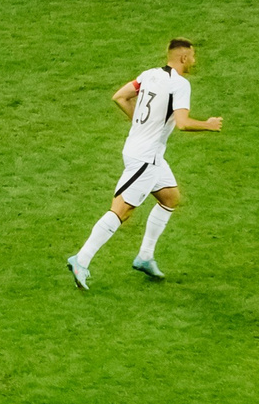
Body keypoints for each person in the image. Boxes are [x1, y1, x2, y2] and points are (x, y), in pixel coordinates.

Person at [66, 39, 224, 290]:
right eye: (193, 56)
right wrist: (209, 124)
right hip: (145, 159)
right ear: (183, 58)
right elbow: (182, 123)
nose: (194, 61)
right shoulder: (180, 85)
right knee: (121, 210)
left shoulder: (150, 75)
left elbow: (120, 97)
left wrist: (141, 126)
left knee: (170, 197)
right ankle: (81, 260)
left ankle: (145, 256)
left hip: (145, 153)